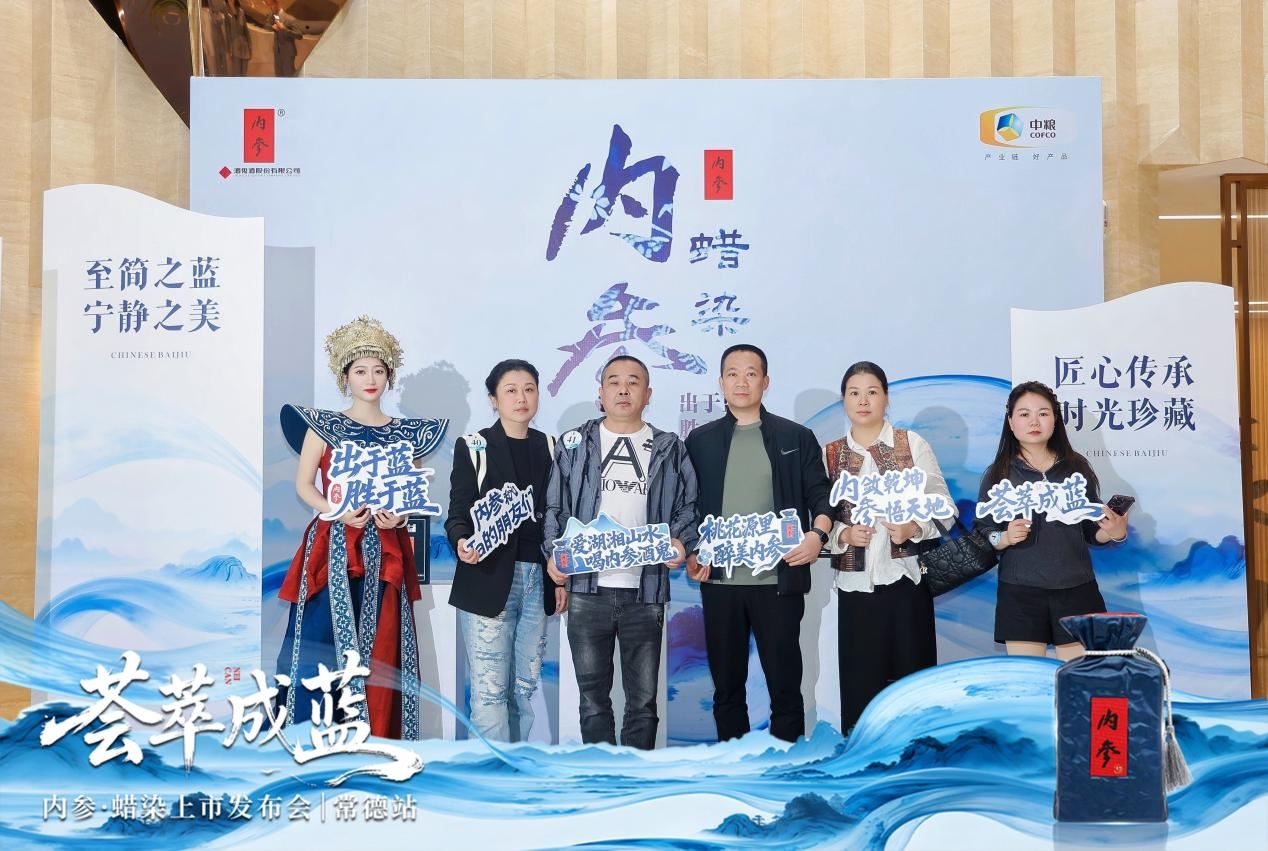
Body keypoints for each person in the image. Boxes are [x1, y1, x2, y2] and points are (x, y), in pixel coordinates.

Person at [274, 315, 447, 739]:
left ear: (389, 376)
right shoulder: (323, 427)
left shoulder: (405, 435)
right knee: (320, 645)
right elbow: (305, 486)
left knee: (382, 646)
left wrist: (401, 516)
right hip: (334, 546)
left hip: (385, 549)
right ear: (345, 377)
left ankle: (376, 741)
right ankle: (311, 742)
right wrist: (336, 509)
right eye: (360, 371)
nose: (370, 379)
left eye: (378, 371)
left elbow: (410, 494)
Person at [543, 354, 698, 749]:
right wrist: (553, 555)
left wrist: (680, 541)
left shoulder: (669, 447)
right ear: (601, 393)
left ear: (648, 394)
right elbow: (555, 507)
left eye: (633, 382)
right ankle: (600, 778)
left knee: (643, 703)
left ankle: (637, 778)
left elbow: (688, 507)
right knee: (593, 702)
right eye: (614, 381)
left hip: (645, 591)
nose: (623, 390)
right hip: (586, 590)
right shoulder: (574, 443)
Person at [684, 344, 834, 743]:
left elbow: (821, 495)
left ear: (765, 382)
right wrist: (693, 550)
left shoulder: (795, 436)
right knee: (727, 690)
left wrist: (817, 535)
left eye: (751, 373)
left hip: (778, 582)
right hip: (720, 582)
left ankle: (786, 766)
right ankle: (733, 765)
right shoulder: (700, 440)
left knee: (785, 687)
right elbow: (687, 506)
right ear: (721, 382)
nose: (741, 382)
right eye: (733, 373)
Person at [825, 361, 955, 735]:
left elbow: (944, 508)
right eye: (854, 393)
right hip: (855, 587)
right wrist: (843, 536)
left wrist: (914, 528)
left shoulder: (911, 444)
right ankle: (862, 760)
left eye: (872, 392)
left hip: (906, 583)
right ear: (844, 400)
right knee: (860, 691)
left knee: (912, 689)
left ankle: (915, 760)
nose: (863, 401)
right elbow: (818, 519)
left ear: (886, 398)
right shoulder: (830, 454)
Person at [446, 359, 566, 742]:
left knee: (523, 691)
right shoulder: (474, 447)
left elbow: (559, 518)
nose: (521, 398)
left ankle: (516, 767)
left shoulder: (552, 447)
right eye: (511, 390)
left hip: (538, 580)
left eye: (529, 389)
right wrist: (462, 541)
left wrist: (559, 579)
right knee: (489, 693)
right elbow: (458, 513)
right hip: (488, 576)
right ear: (493, 399)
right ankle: (490, 770)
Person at [975, 380, 1129, 662]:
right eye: (1024, 414)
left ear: (1055, 420)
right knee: (1028, 679)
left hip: (1077, 590)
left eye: (1043, 413)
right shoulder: (998, 474)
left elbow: (1090, 530)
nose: (1034, 421)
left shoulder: (1076, 468)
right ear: (1010, 422)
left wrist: (1113, 532)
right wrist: (1004, 538)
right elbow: (984, 530)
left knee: (1078, 679)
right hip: (1020, 592)